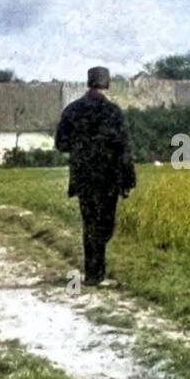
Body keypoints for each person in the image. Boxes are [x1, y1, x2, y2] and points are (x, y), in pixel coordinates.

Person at [54, 66, 137, 286]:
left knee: (89, 222)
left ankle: (93, 273)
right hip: (109, 178)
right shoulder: (113, 112)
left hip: (83, 176)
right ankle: (96, 274)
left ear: (88, 82)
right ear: (106, 84)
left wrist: (81, 148)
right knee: (104, 224)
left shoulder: (72, 110)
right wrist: (128, 180)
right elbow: (124, 149)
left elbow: (60, 144)